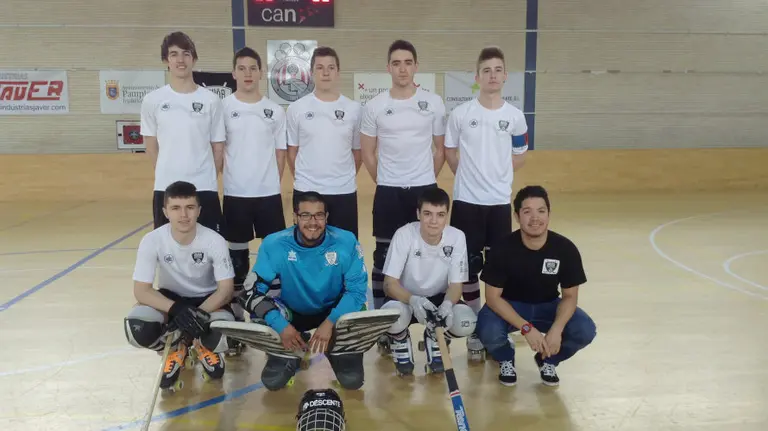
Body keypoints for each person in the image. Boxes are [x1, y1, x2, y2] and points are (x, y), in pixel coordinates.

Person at [443, 46, 529, 354]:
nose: (492, 75)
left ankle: (495, 326)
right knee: (466, 270)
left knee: (497, 270)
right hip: (466, 202)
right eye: (486, 70)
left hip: (499, 205)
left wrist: (499, 178)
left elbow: (520, 155)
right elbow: (450, 152)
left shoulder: (516, 118)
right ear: (477, 77)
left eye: (498, 70)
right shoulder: (461, 114)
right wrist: (466, 175)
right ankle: (475, 326)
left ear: (505, 76)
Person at [240, 192, 369, 391]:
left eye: (318, 215)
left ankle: (338, 348)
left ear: (326, 217)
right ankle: (286, 349)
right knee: (273, 382)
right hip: (291, 313)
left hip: (331, 311)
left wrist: (330, 323)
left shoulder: (346, 241)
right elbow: (250, 293)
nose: (312, 222)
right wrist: (281, 325)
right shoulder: (275, 244)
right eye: (306, 215)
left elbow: (357, 292)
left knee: (352, 381)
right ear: (295, 217)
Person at [475, 186, 597, 387]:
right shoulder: (502, 248)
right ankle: (505, 357)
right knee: (486, 330)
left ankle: (547, 360)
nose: (535, 218)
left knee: (584, 330)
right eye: (527, 211)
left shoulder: (565, 249)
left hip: (548, 305)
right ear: (516, 216)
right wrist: (526, 328)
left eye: (541, 211)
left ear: (549, 214)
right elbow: (492, 298)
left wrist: (557, 329)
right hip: (509, 305)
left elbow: (570, 296)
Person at [360, 39, 446, 319]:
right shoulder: (375, 105)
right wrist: (385, 179)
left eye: (408, 63)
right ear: (388, 68)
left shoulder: (433, 103)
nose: (402, 69)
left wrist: (424, 178)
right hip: (388, 191)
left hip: (424, 189)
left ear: (416, 66)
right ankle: (383, 320)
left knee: (426, 252)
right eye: (396, 63)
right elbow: (368, 153)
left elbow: (441, 149)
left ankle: (431, 314)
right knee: (383, 256)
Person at [123, 181, 236, 390]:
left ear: (199, 210)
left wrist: (197, 314)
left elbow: (225, 289)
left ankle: (203, 345)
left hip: (207, 301)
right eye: (176, 208)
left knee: (227, 332)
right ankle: (176, 346)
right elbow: (141, 290)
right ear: (165, 211)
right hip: (170, 299)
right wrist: (177, 310)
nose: (183, 215)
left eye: (190, 207)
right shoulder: (152, 240)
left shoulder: (215, 240)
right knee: (137, 326)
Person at [380, 188, 477, 376]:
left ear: (447, 216)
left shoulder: (457, 237)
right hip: (405, 298)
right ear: (418, 214)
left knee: (466, 322)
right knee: (391, 319)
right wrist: (414, 300)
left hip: (438, 298)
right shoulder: (404, 234)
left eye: (440, 215)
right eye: (427, 214)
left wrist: (448, 304)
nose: (434, 221)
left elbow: (456, 285)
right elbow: (389, 284)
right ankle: (399, 339)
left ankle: (435, 336)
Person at [140, 31, 226, 233]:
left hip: (204, 187)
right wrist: (167, 171)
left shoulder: (211, 100)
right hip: (166, 188)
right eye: (174, 54)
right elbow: (151, 146)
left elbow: (218, 147)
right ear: (165, 60)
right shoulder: (153, 100)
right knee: (169, 251)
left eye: (186, 53)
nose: (181, 59)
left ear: (194, 59)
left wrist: (207, 176)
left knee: (208, 251)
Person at [221, 47, 287, 291]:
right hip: (235, 194)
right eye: (242, 68)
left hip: (268, 194)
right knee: (237, 259)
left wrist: (271, 182)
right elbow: (218, 149)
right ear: (233, 73)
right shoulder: (223, 108)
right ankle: (237, 310)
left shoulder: (276, 111)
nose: (247, 73)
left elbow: (280, 153)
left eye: (253, 68)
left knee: (273, 254)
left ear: (261, 73)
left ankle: (273, 305)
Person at [287, 46, 362, 238]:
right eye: (320, 67)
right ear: (312, 72)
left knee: (344, 249)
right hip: (306, 190)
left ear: (338, 72)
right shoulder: (297, 108)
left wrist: (341, 176)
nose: (326, 72)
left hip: (343, 191)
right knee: (306, 248)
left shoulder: (354, 109)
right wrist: (308, 178)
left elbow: (357, 153)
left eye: (331, 67)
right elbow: (292, 152)